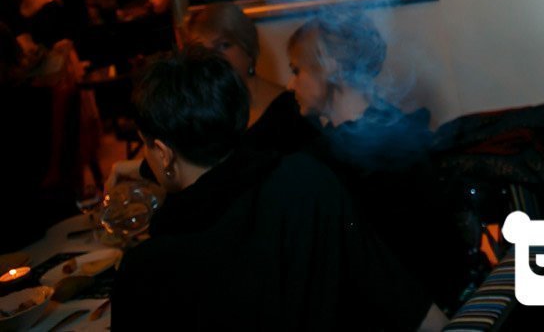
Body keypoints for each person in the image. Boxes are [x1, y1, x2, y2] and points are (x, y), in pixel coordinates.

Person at [112, 50, 428, 332]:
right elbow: (398, 296)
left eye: (145, 146)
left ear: (163, 153)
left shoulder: (146, 270)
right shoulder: (306, 178)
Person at [287, 13, 457, 302]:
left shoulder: (354, 158)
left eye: (297, 70)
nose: (291, 86)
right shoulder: (394, 127)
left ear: (329, 65)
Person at [182, 3, 315, 155]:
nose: (213, 58)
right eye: (202, 51)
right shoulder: (201, 118)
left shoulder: (293, 109)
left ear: (248, 48)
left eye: (223, 46)